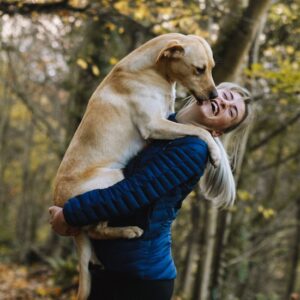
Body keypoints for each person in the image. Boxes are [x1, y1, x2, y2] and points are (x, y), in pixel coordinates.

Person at [49, 82, 254, 300]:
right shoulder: (162, 125)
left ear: (217, 131)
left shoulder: (193, 149)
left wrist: (71, 215)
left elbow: (132, 192)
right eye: (227, 95)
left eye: (231, 111)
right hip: (108, 268)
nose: (224, 102)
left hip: (140, 282)